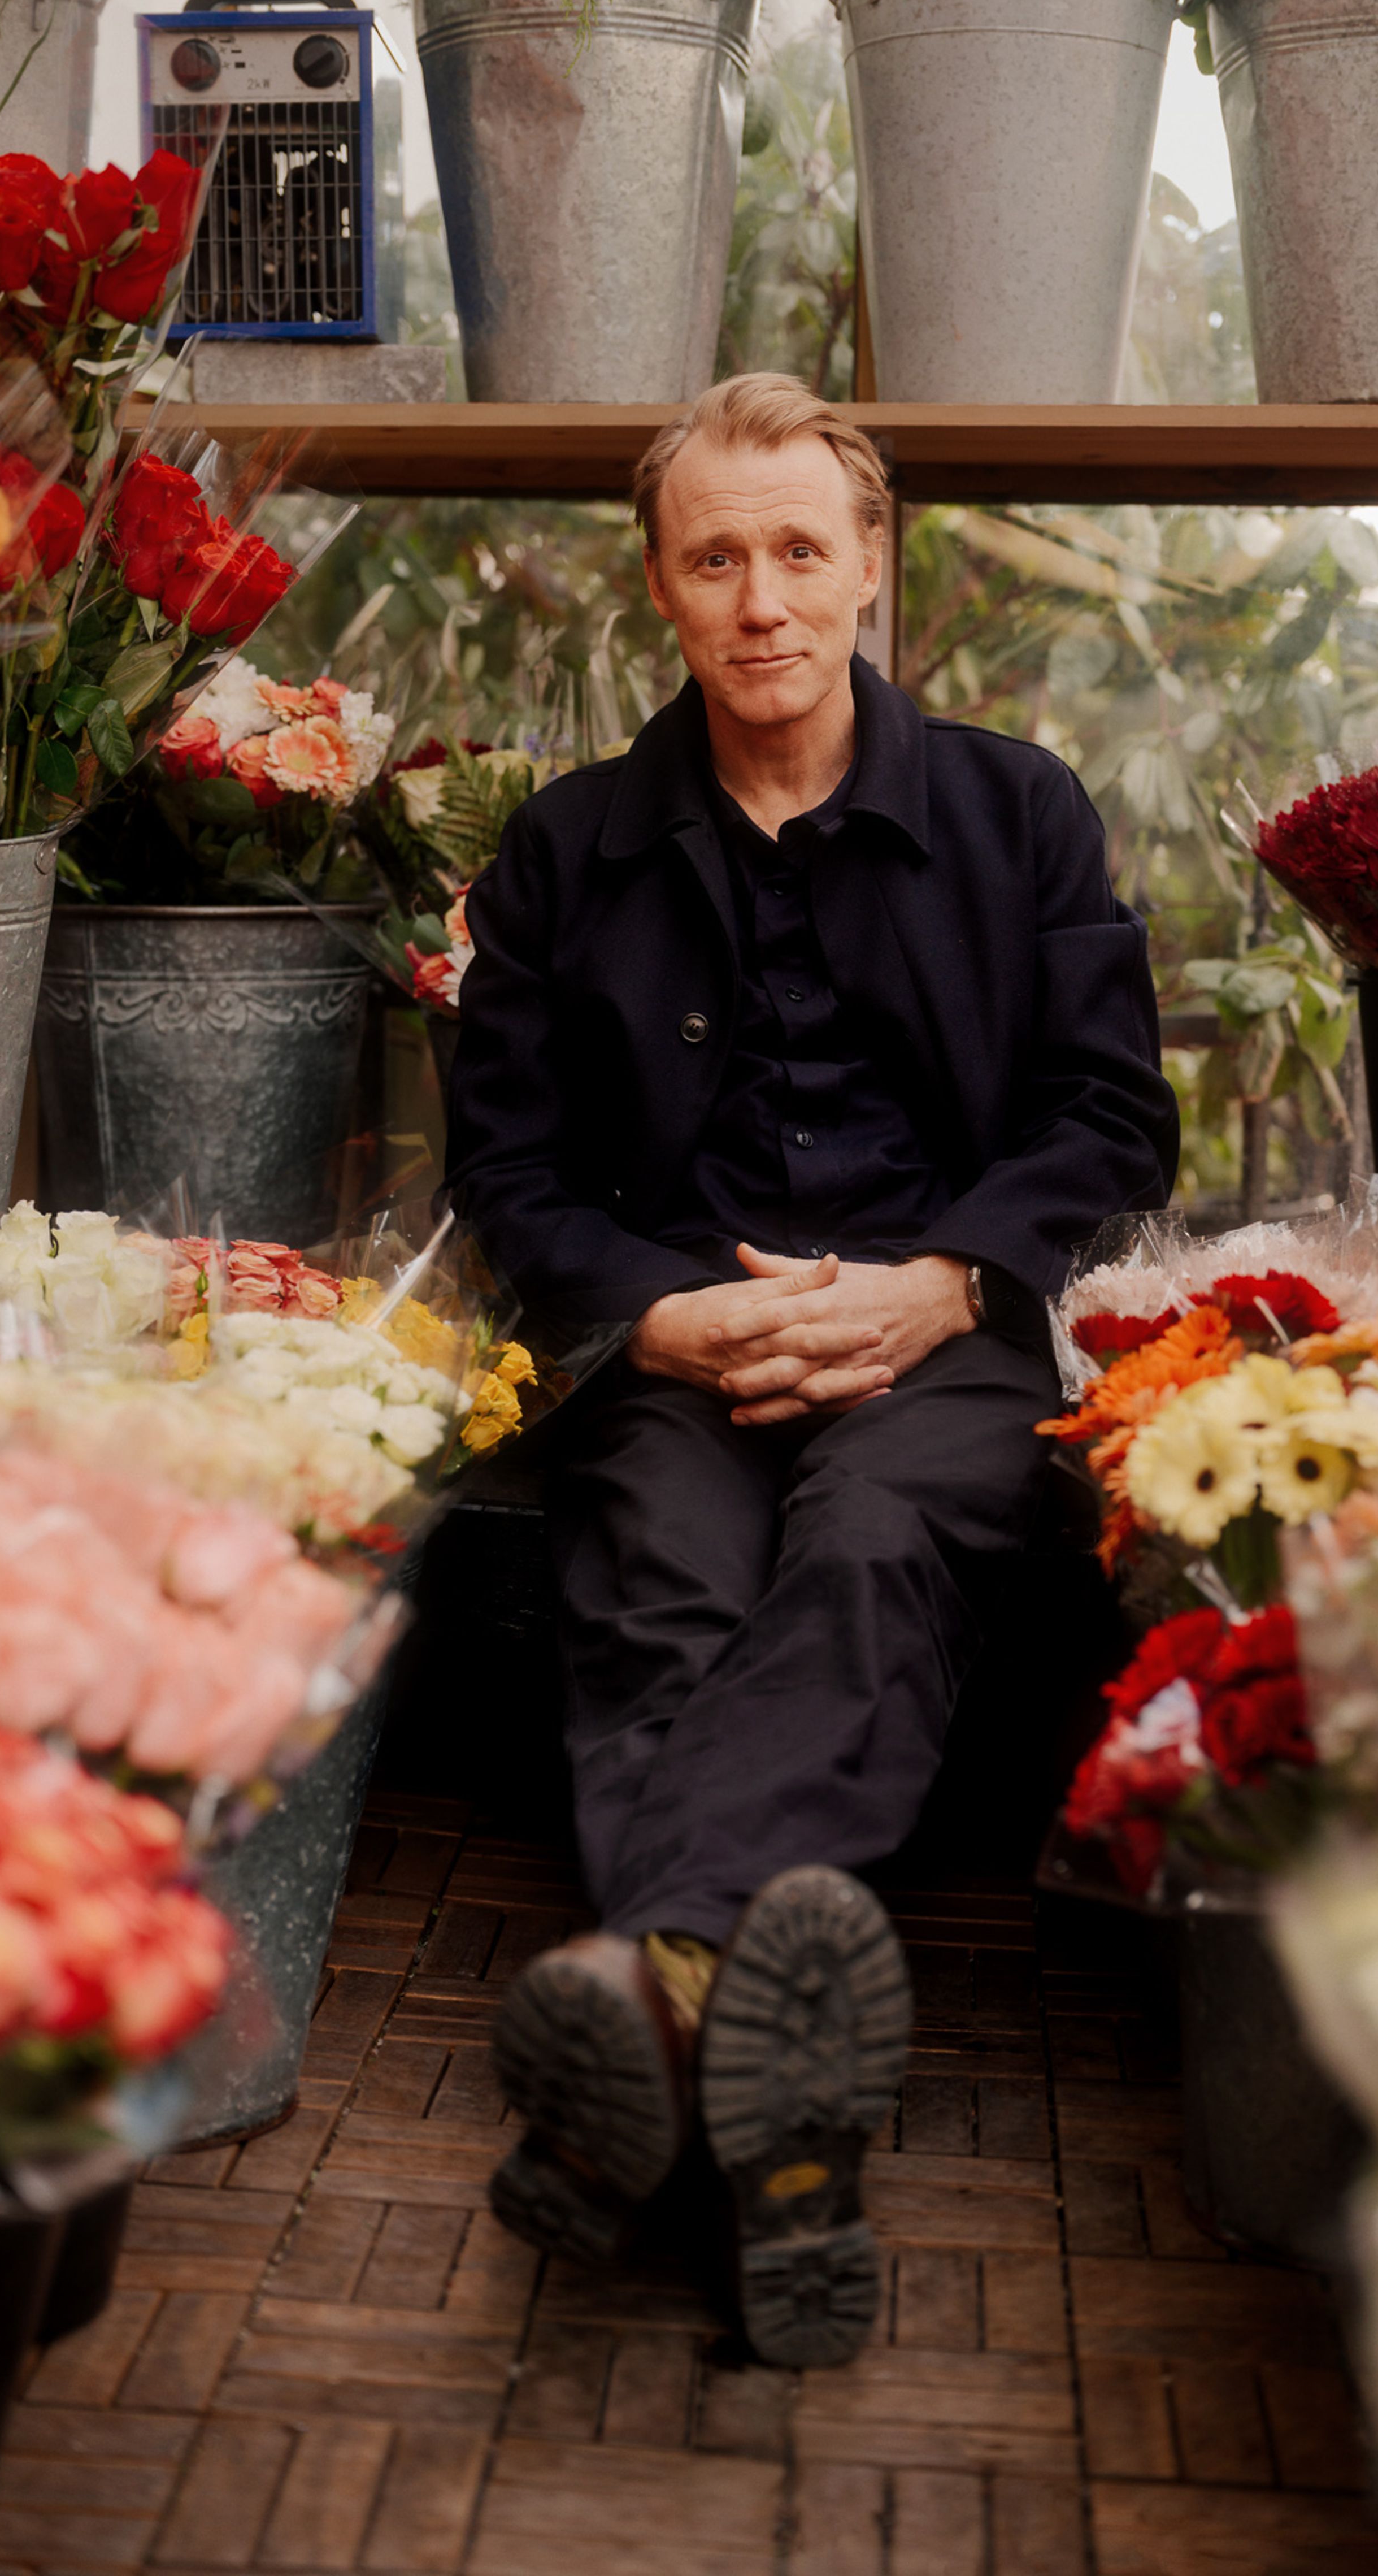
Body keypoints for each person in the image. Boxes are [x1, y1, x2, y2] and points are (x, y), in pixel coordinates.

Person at [442, 372, 1176, 2365]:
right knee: (656, 1575)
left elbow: (1111, 1122)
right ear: (660, 590)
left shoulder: (1017, 812)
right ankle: (785, 2152)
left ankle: (651, 1999)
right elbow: (505, 1171)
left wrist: (943, 1283)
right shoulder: (565, 856)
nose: (759, 596)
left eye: (795, 550)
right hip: (680, 1329)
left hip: (933, 1328)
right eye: (713, 557)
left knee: (874, 1547)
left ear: (867, 567)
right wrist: (659, 1315)